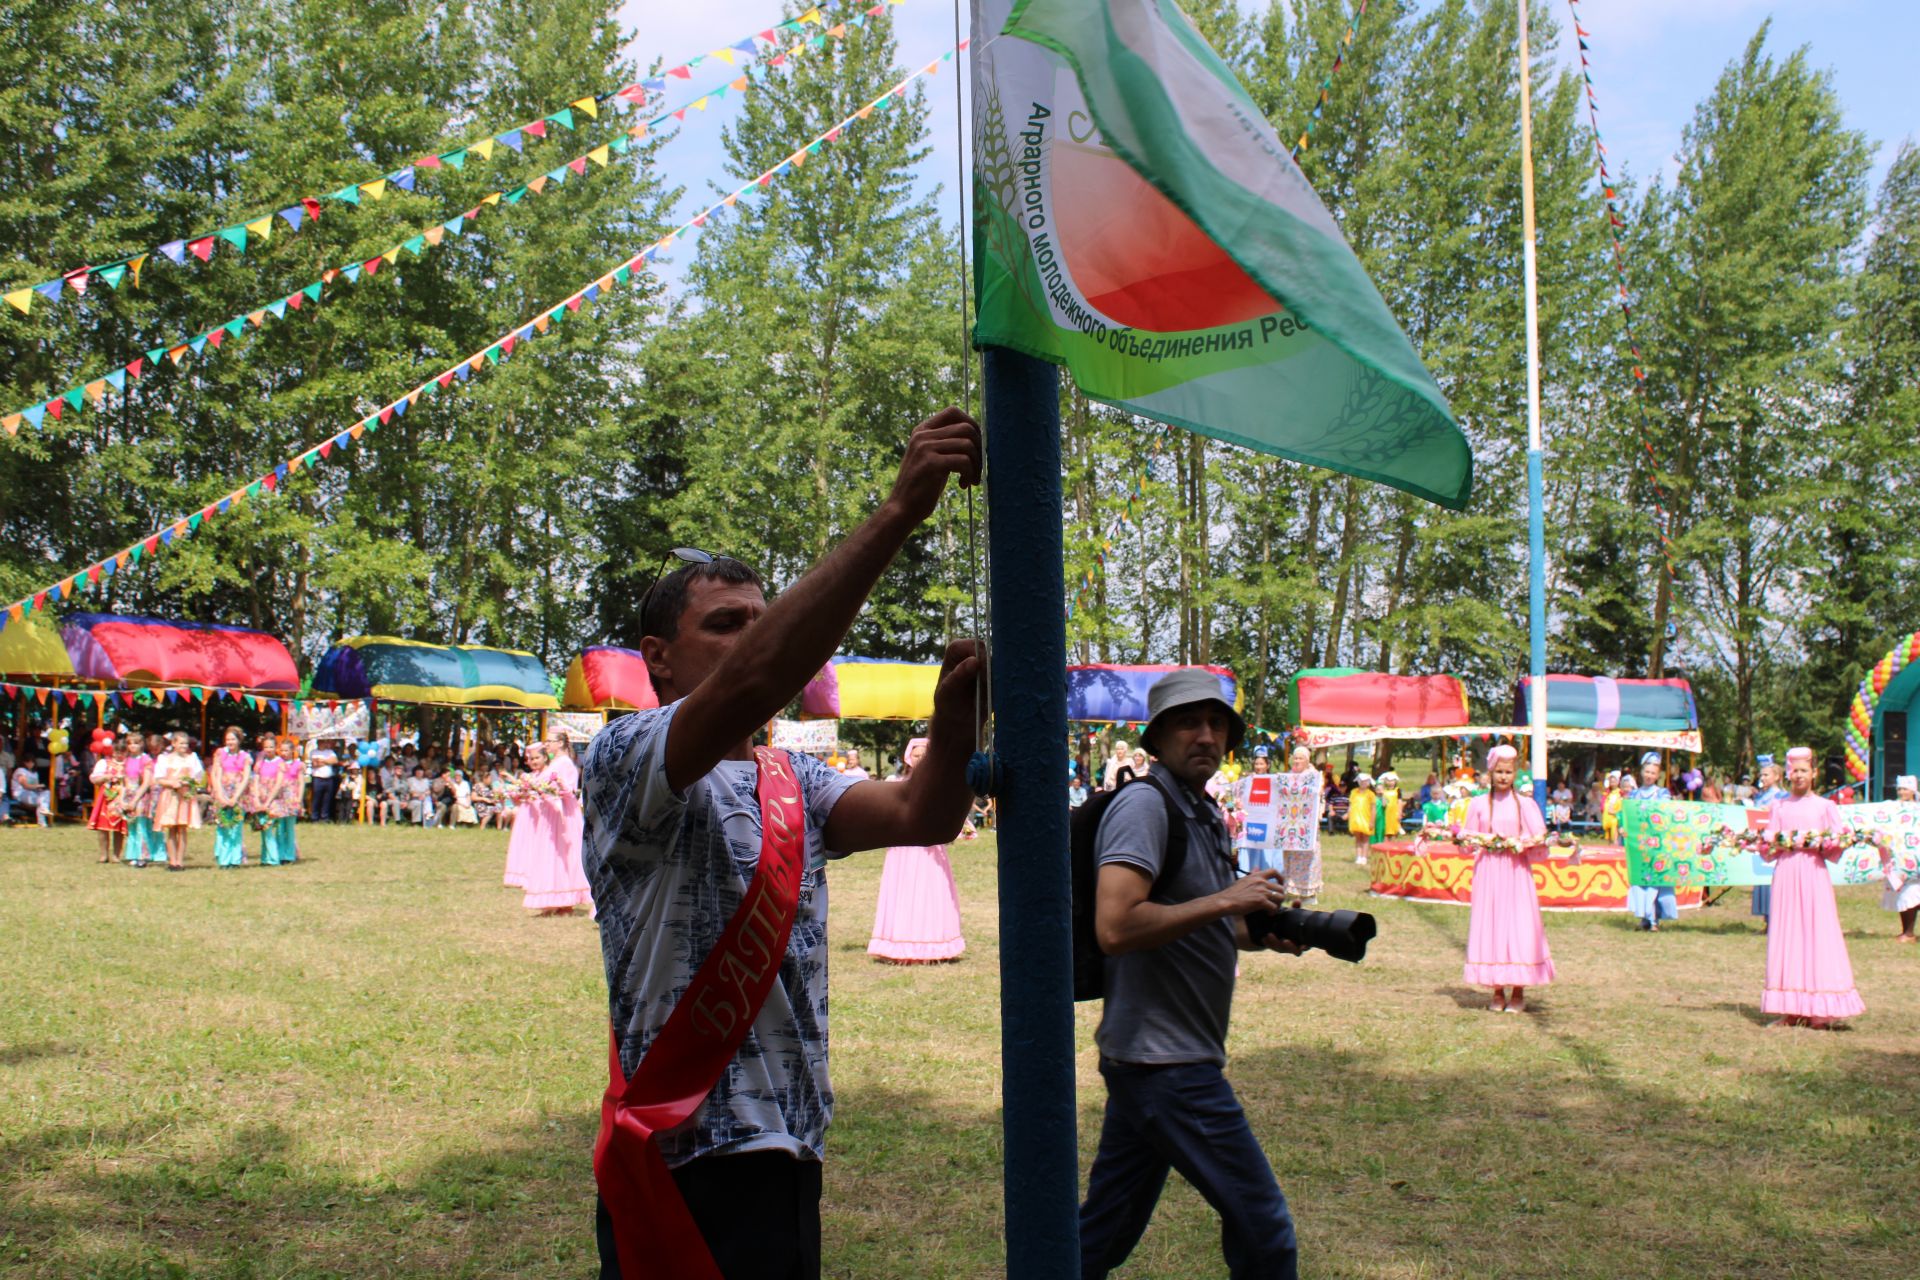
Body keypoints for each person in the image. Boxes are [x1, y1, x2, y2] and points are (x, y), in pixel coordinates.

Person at [580, 406, 982, 1280]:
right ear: (659, 658)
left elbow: (924, 814)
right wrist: (896, 515)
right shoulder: (622, 755)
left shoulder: (791, 778)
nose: (755, 640)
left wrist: (953, 726)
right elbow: (766, 672)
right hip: (678, 1152)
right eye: (728, 624)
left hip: (789, 1145)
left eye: (762, 619)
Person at [1080, 668, 1300, 1279]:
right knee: (1266, 1230)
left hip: (1152, 1059)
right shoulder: (1145, 806)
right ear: (1157, 738)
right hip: (1167, 1065)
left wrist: (1261, 931)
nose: (1205, 735)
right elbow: (1117, 926)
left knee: (1100, 1237)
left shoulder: (1199, 810)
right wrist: (1229, 900)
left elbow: (1200, 918)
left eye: (1216, 724)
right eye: (1187, 722)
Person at [1759, 747, 1864, 1028]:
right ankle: (1791, 1009)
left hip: (1814, 875)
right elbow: (1767, 849)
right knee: (1788, 935)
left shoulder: (1825, 807)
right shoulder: (1779, 806)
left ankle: (1820, 1009)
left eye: (1804, 770)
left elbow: (1834, 850)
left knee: (1817, 935)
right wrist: (1776, 842)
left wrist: (1830, 842)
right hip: (1787, 875)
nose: (1799, 775)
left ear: (1814, 773)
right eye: (1794, 770)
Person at [1458, 744, 1561, 1014]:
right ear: (1490, 773)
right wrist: (1473, 839)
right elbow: (1467, 841)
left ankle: (1518, 990)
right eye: (1498, 772)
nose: (1503, 777)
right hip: (1489, 872)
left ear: (1515, 774)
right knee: (1493, 925)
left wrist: (1522, 843)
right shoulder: (1478, 804)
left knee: (1519, 927)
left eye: (1508, 772)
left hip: (1516, 872)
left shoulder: (1525, 804)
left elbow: (1539, 838)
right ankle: (1496, 989)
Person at [867, 737, 966, 963]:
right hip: (903, 847)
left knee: (929, 891)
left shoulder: (938, 783)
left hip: (929, 847)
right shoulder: (899, 783)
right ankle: (898, 945)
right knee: (903, 891)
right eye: (916, 755)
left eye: (924, 755)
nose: (920, 759)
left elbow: (948, 813)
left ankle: (934, 945)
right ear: (908, 757)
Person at [510, 742, 590, 915]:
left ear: (560, 743)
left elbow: (568, 792)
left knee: (561, 859)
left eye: (551, 740)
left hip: (562, 817)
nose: (548, 743)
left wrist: (552, 788)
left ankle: (565, 903)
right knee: (549, 859)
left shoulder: (566, 763)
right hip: (550, 815)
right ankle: (552, 902)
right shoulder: (555, 764)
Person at [1625, 752, 1676, 931]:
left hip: (1656, 844)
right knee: (1640, 881)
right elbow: (1626, 817)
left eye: (1653, 773)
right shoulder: (1633, 795)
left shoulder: (1662, 794)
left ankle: (1654, 919)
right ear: (1641, 772)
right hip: (1638, 845)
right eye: (1647, 772)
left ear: (1658, 775)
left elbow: (1665, 815)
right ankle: (1644, 917)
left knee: (1654, 881)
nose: (1649, 776)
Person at [1275, 745, 1324, 907]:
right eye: (1295, 758)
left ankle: (1309, 892)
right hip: (1290, 823)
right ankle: (1292, 889)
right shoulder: (1289, 776)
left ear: (1307, 760)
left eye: (1300, 758)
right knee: (1290, 856)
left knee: (1307, 857)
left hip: (1306, 823)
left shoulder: (1314, 776)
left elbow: (1318, 795)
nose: (1296, 761)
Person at [151, 731, 204, 871]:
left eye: (186, 743)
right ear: (173, 743)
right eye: (181, 743)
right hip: (170, 796)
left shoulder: (192, 758)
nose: (184, 746)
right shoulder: (164, 759)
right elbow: (159, 778)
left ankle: (180, 861)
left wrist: (188, 783)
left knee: (182, 828)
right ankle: (172, 861)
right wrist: (171, 783)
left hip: (185, 796)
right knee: (171, 828)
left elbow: (198, 777)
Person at [1880, 774, 1920, 942]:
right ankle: (1906, 931)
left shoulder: (1917, 809)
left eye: (1905, 789)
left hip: (1915, 857)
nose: (1901, 792)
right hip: (1898, 859)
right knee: (1902, 894)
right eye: (1899, 789)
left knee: (1911, 893)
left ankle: (1908, 932)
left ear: (1912, 791)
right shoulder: (1893, 808)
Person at [1749, 754, 1789, 926]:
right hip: (1761, 841)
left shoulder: (1781, 796)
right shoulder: (1759, 796)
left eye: (1766, 775)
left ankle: (1777, 920)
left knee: (1772, 880)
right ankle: (1767, 920)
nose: (1763, 778)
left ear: (1776, 777)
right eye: (1761, 775)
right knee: (1762, 879)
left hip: (1775, 842)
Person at [209, 726, 253, 867]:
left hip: (238, 795)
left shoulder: (245, 756)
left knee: (236, 827)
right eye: (227, 739)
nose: (230, 742)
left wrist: (235, 797)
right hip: (222, 792)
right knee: (223, 826)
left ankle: (235, 859)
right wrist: (220, 795)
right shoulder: (220, 753)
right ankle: (223, 859)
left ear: (239, 740)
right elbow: (215, 773)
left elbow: (246, 777)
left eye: (233, 739)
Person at [1231, 746, 1279, 873]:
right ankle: (1247, 872)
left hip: (1266, 821)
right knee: (1250, 846)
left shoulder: (1273, 780)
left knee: (1265, 847)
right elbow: (1239, 795)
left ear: (1267, 765)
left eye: (1261, 763)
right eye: (1257, 763)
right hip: (1251, 820)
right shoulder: (1247, 780)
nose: (1259, 766)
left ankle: (1265, 871)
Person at [88, 732, 128, 861]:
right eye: (116, 752)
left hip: (121, 798)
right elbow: (94, 779)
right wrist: (105, 777)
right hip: (106, 798)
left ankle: (116, 855)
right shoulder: (104, 763)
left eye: (122, 752)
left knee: (119, 828)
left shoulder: (128, 764)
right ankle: (103, 854)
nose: (119, 755)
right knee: (102, 827)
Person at [251, 733, 287, 866]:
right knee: (263, 828)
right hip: (260, 799)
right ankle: (265, 857)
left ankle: (273, 858)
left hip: (273, 800)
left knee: (269, 829)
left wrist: (268, 802)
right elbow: (255, 779)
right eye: (266, 747)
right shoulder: (260, 763)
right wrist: (256, 798)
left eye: (271, 747)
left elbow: (278, 784)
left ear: (276, 747)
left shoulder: (280, 763)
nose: (269, 750)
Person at [119, 735, 157, 860]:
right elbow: (123, 782)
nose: (132, 746)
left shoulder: (145, 760)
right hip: (128, 793)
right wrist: (121, 799)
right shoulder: (127, 760)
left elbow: (146, 782)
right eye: (130, 744)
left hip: (141, 795)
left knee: (141, 825)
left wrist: (135, 800)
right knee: (131, 826)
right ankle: (132, 855)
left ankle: (143, 855)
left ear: (141, 744)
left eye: (135, 743)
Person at [273, 736, 303, 861]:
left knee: (289, 828)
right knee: (279, 827)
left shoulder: (298, 764)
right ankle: (280, 854)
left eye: (286, 750)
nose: (284, 753)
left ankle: (289, 855)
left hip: (291, 797)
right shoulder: (277, 763)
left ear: (292, 751)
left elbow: (301, 782)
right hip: (279, 797)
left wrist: (299, 799)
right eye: (282, 750)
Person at [1348, 771, 1377, 865]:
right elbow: (1351, 805)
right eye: (1361, 781)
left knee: (1365, 838)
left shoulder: (1371, 794)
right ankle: (1358, 856)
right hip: (1356, 818)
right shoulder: (1353, 792)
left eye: (1365, 781)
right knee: (1358, 838)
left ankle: (1364, 857)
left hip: (1366, 818)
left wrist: (1372, 821)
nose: (1363, 783)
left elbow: (1373, 809)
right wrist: (1348, 816)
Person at [309, 739, 340, 822]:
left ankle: (324, 817)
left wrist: (323, 761)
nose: (323, 743)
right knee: (316, 798)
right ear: (318, 743)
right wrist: (328, 761)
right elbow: (315, 763)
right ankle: (314, 817)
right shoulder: (314, 752)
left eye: (324, 742)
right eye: (321, 742)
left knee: (327, 799)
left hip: (329, 778)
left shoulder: (330, 752)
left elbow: (335, 761)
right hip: (317, 778)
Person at [1378, 771, 1404, 842]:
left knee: (1394, 831)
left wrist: (1399, 813)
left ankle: (1392, 846)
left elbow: (1400, 802)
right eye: (1388, 781)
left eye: (1392, 780)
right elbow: (1383, 804)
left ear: (1395, 781)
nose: (1390, 782)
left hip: (1394, 813)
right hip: (1386, 814)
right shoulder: (1384, 791)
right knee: (1386, 831)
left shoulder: (1397, 790)